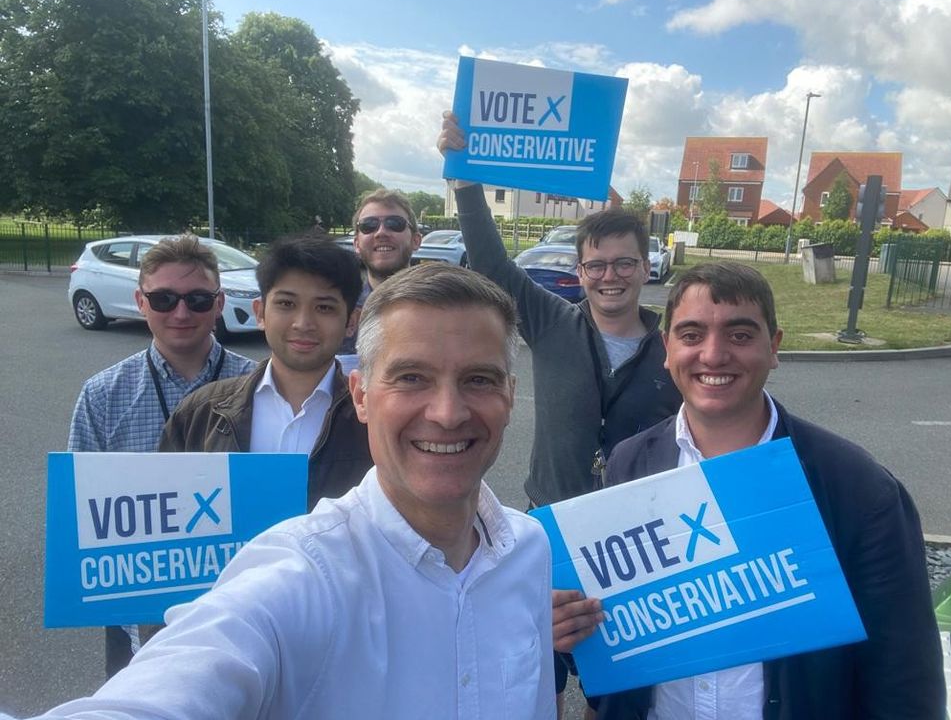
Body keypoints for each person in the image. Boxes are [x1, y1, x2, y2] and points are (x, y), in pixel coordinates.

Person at [25, 264, 555, 720]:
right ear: (361, 396)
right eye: (412, 378)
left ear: (511, 394)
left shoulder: (529, 550)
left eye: (479, 380)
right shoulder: (302, 575)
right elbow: (182, 675)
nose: (447, 412)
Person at [554, 261, 945, 719]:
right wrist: (569, 629)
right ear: (667, 348)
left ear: (774, 347)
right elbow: (616, 635)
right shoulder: (629, 464)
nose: (714, 355)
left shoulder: (857, 487)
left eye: (740, 335)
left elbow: (904, 676)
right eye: (692, 335)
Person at [438, 113, 682, 709]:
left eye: (624, 263)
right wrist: (466, 180)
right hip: (549, 532)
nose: (610, 277)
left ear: (645, 268)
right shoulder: (552, 322)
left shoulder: (675, 346)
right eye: (596, 265)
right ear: (580, 273)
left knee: (622, 694)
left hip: (638, 540)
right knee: (529, 683)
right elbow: (494, 267)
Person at [67, 234, 255, 678]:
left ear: (219, 302)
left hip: (241, 620)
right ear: (140, 300)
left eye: (197, 299)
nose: (181, 313)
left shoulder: (261, 386)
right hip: (139, 624)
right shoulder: (102, 395)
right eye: (164, 298)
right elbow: (82, 514)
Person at [159, 233, 372, 511]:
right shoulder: (201, 413)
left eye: (324, 307)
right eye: (286, 304)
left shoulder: (372, 422)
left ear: (351, 322)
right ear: (260, 312)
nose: (303, 323)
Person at [337, 188, 422, 355]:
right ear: (356, 244)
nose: (381, 232)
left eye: (394, 224)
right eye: (369, 226)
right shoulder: (340, 311)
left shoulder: (443, 310)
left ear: (416, 240)